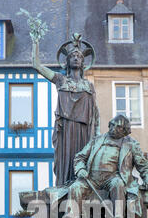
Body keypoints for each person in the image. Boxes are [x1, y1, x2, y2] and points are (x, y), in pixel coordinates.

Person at [67, 114, 148, 218]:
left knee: (118, 185)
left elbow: (143, 165)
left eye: (118, 127)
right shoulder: (97, 140)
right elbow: (80, 157)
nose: (113, 128)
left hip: (112, 177)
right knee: (75, 187)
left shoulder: (131, 144)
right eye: (112, 125)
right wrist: (80, 169)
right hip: (91, 178)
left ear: (125, 131)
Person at [32, 34, 100, 186]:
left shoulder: (89, 86)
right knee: (66, 160)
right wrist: (35, 42)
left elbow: (95, 113)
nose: (76, 58)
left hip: (85, 130)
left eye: (79, 56)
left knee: (84, 160)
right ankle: (64, 186)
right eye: (73, 56)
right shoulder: (60, 80)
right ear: (67, 61)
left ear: (83, 62)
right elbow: (36, 65)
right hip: (66, 130)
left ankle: (81, 187)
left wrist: (98, 134)